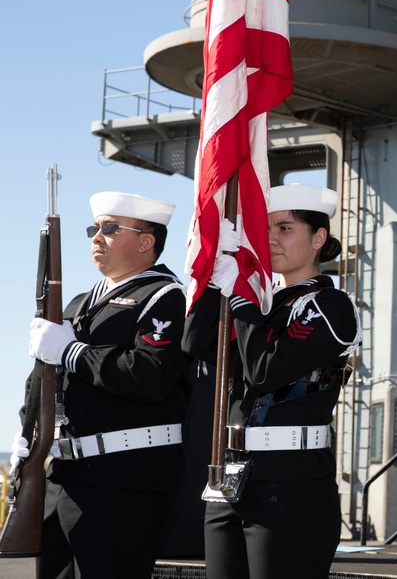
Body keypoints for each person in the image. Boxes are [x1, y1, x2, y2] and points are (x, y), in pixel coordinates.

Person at [183, 184, 361, 579]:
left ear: (318, 238)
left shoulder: (329, 306)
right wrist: (216, 280)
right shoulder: (261, 305)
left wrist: (242, 296)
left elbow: (267, 370)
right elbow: (193, 343)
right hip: (230, 478)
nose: (270, 240)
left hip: (291, 482)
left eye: (284, 228)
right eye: (264, 230)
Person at [16, 191, 189, 578]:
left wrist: (73, 351)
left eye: (110, 229)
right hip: (66, 476)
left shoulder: (165, 298)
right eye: (95, 227)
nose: (97, 236)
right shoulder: (78, 303)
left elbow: (149, 376)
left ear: (147, 241)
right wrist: (29, 432)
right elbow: (44, 379)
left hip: (125, 481)